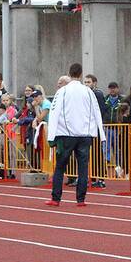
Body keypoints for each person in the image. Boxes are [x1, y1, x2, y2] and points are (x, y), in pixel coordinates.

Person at [44, 63, 104, 207]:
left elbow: (54, 112)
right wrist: (101, 134)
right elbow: (97, 111)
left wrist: (51, 136)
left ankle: (56, 198)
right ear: (81, 74)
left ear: (69, 73)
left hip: (67, 134)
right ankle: (80, 199)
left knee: (60, 166)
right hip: (85, 135)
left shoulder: (62, 91)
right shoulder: (88, 91)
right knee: (83, 167)